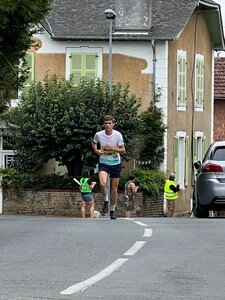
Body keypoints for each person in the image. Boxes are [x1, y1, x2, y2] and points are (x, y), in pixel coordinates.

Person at [91, 115, 125, 220]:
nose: (107, 125)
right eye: (106, 123)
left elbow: (123, 150)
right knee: (102, 183)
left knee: (114, 189)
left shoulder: (118, 135)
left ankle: (113, 210)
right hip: (104, 162)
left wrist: (113, 148)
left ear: (113, 124)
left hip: (115, 163)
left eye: (110, 123)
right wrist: (96, 150)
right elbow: (93, 142)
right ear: (103, 124)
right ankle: (106, 200)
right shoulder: (99, 134)